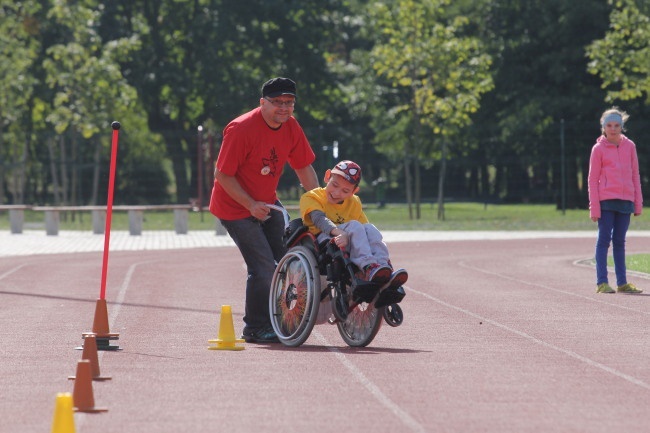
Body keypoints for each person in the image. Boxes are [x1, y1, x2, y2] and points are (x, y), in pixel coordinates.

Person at [209, 77, 320, 343]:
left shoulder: (291, 127)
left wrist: (319, 202)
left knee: (289, 259)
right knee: (264, 268)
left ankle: (279, 318)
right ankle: (256, 327)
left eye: (289, 102)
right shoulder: (240, 129)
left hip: (267, 202)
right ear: (262, 103)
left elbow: (303, 167)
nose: (284, 108)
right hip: (234, 207)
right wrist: (250, 205)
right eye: (277, 102)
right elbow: (222, 175)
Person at [300, 160, 407, 304]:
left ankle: (382, 268)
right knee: (356, 226)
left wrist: (350, 235)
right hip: (323, 240)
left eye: (345, 191)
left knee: (371, 229)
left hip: (350, 240)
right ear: (327, 177)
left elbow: (365, 229)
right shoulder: (312, 196)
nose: (337, 193)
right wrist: (339, 233)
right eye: (334, 185)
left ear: (354, 191)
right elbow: (319, 220)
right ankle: (368, 266)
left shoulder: (354, 202)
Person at [588, 107, 643, 294]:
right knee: (604, 240)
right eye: (609, 125)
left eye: (616, 125)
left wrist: (638, 203)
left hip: (626, 201)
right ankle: (602, 282)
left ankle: (622, 282)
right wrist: (594, 208)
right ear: (603, 127)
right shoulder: (598, 149)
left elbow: (635, 174)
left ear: (622, 127)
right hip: (606, 202)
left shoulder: (630, 146)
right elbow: (592, 179)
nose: (613, 129)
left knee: (620, 241)